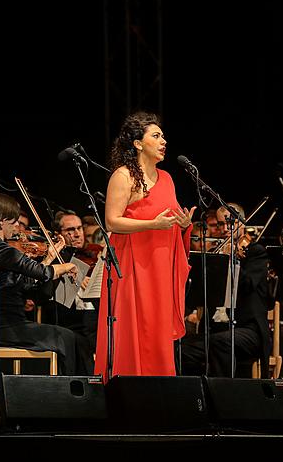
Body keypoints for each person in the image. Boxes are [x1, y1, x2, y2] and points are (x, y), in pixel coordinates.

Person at [94, 111, 196, 380]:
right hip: (132, 264)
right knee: (132, 327)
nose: (163, 141)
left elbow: (168, 220)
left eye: (163, 136)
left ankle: (159, 395)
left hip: (160, 265)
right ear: (138, 143)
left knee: (156, 331)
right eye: (156, 135)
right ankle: (127, 393)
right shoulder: (123, 175)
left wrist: (183, 225)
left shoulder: (167, 179)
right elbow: (112, 222)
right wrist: (152, 224)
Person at [0, 193, 93, 375]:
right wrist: (66, 266)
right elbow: (44, 272)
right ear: (1, 221)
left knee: (69, 337)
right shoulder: (3, 250)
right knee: (67, 336)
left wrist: (50, 257)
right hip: (7, 328)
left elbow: (29, 281)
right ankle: (67, 394)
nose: (17, 227)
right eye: (13, 222)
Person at [180, 202, 271, 377]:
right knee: (181, 349)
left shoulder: (255, 252)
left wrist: (232, 261)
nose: (225, 229)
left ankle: (222, 396)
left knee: (221, 343)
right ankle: (198, 396)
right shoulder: (216, 254)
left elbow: (247, 285)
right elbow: (201, 292)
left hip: (249, 330)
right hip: (217, 330)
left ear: (242, 223)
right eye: (221, 224)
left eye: (230, 223)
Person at [41, 210, 99, 353]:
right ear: (57, 235)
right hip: (69, 321)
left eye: (79, 228)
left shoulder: (93, 255)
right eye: (70, 230)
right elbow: (58, 301)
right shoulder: (55, 259)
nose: (78, 234)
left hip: (93, 319)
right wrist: (77, 279)